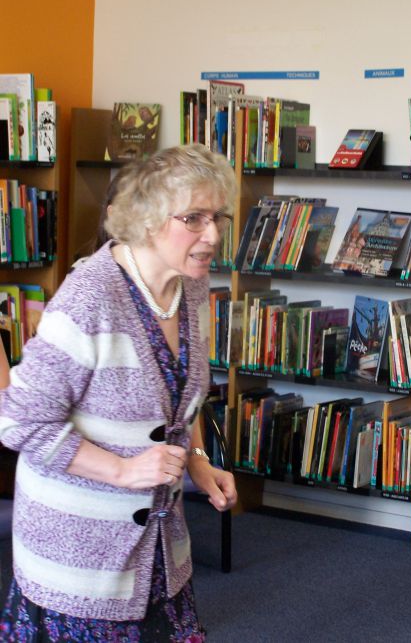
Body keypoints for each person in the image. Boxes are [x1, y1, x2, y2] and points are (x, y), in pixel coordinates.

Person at [0, 143, 238, 641]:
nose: (212, 235)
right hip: (77, 559)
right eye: (193, 218)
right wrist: (124, 470)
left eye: (218, 217)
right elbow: (19, 422)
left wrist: (196, 458)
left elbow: (178, 397)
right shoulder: (90, 296)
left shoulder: (191, 286)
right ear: (148, 219)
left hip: (158, 549)